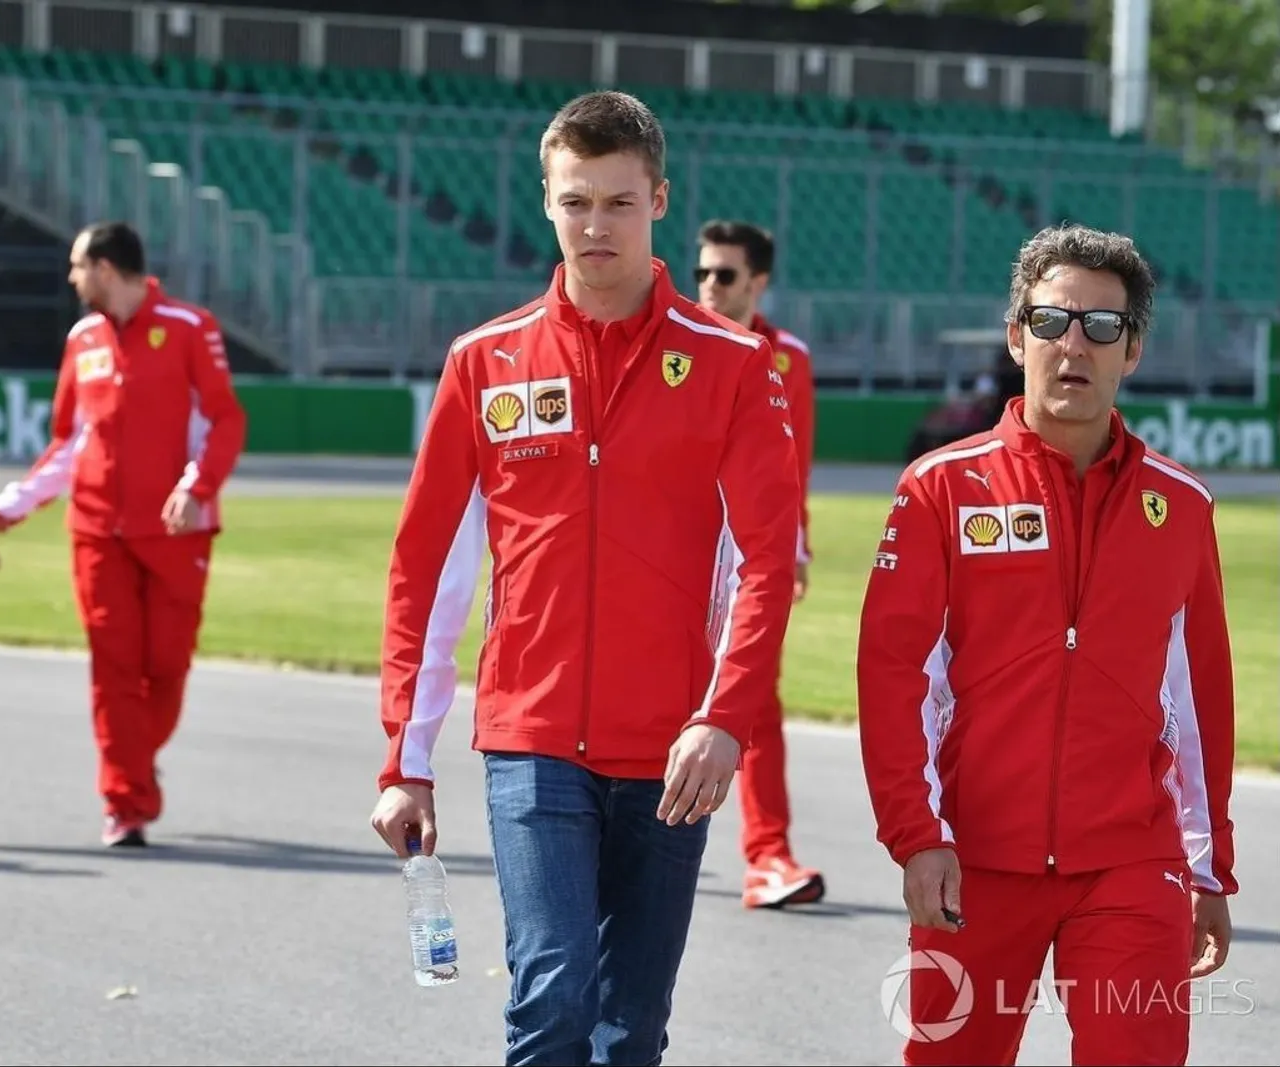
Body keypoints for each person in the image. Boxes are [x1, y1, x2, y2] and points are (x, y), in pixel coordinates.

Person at [369, 91, 802, 1065]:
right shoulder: (483, 362)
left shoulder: (734, 365)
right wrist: (406, 758)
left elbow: (767, 562)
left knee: (629, 1028)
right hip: (530, 736)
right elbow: (426, 569)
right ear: (546, 201)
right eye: (575, 202)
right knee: (553, 991)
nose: (595, 225)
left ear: (659, 200)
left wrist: (724, 717)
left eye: (618, 202)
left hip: (673, 748)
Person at [856, 223, 1237, 1067]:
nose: (1074, 345)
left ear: (1132, 349)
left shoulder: (1181, 505)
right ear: (1015, 335)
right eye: (1051, 321)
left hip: (1131, 860)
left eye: (1102, 326)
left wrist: (1208, 868)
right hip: (975, 860)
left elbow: (1199, 695)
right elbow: (894, 675)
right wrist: (919, 836)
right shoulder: (940, 488)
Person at [0, 221, 247, 848]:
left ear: (104, 268)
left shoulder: (190, 326)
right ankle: (125, 801)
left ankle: (132, 762)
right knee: (113, 668)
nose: (71, 278)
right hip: (97, 530)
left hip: (177, 530)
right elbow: (69, 442)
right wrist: (13, 505)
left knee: (167, 667)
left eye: (77, 266)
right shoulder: (83, 339)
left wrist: (195, 488)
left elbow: (225, 420)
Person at [694, 218, 824, 909]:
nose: (709, 286)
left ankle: (768, 856)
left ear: (758, 282)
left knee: (754, 695)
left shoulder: (788, 357)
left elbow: (792, 464)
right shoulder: (678, 340)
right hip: (676, 549)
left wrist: (794, 549)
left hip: (747, 556)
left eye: (724, 274)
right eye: (702, 272)